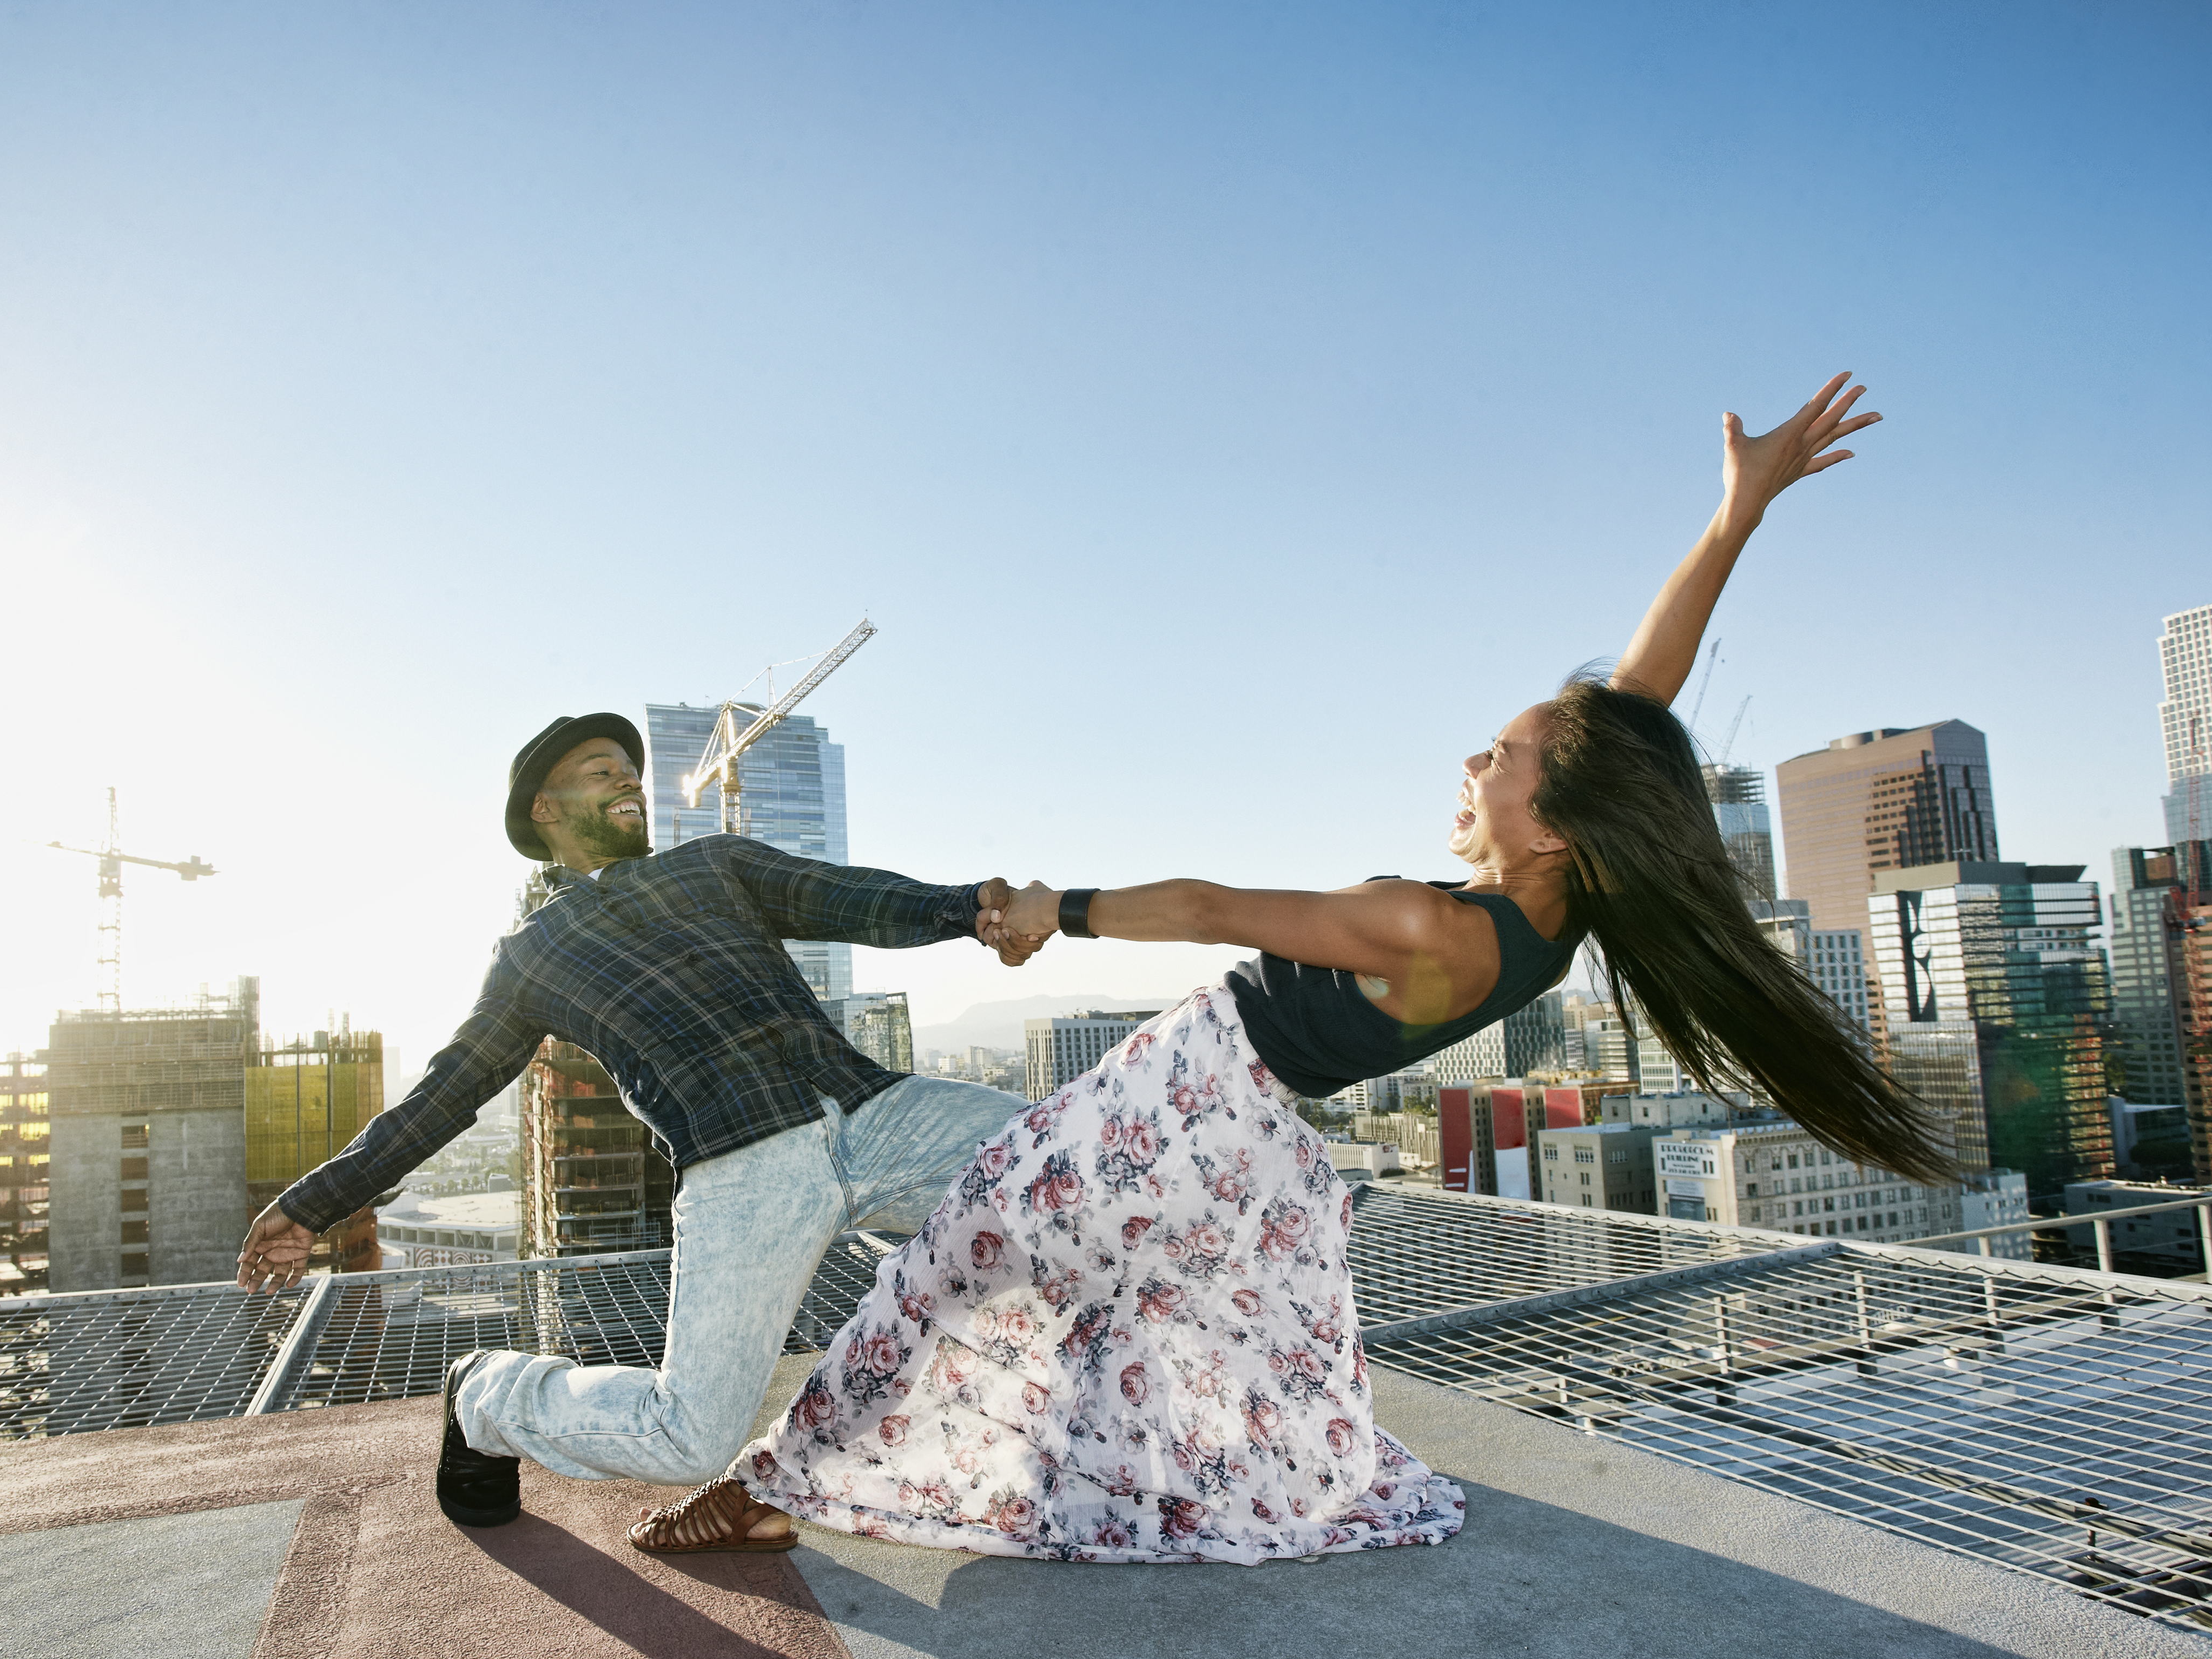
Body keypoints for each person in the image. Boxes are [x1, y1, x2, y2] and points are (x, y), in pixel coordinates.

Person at [630, 373, 1951, 1561]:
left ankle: (770, 1486)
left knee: (947, 1266)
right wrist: (1735, 520)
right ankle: (979, 1471)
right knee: (1105, 1308)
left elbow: (1212, 903)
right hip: (1246, 1139)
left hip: (1173, 1100)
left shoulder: (1426, 927)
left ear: (1552, 819)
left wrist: (1055, 902)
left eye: (1499, 755)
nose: (1474, 762)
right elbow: (1636, 715)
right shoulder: (1556, 912)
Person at [236, 711, 1048, 1529]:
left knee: (1072, 1169)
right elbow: (443, 1095)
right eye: (601, 769)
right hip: (743, 1171)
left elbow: (845, 898)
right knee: (687, 1438)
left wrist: (968, 908)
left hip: (879, 1113)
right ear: (543, 811)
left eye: (631, 768)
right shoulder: (533, 952)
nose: (629, 778)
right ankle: (487, 1392)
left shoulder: (713, 865)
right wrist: (313, 1203)